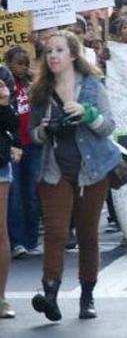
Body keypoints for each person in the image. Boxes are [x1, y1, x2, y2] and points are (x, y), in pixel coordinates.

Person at [29, 30, 122, 321]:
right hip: (55, 171)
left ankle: (87, 296)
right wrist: (47, 129)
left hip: (91, 171)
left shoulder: (93, 86)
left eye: (59, 50)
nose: (53, 56)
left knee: (87, 235)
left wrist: (87, 114)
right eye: (49, 52)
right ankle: (50, 295)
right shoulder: (41, 91)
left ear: (72, 54)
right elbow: (33, 135)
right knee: (55, 234)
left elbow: (108, 126)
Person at [6, 46, 42, 259]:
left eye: (26, 63)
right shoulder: (6, 86)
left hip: (33, 145)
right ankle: (17, 241)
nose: (23, 67)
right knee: (16, 195)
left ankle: (31, 239)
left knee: (32, 194)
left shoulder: (32, 85)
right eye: (19, 63)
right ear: (8, 63)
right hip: (14, 147)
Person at [0, 74, 19, 318]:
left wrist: (3, 103)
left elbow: (12, 125)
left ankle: (1, 297)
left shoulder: (2, 76)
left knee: (0, 231)